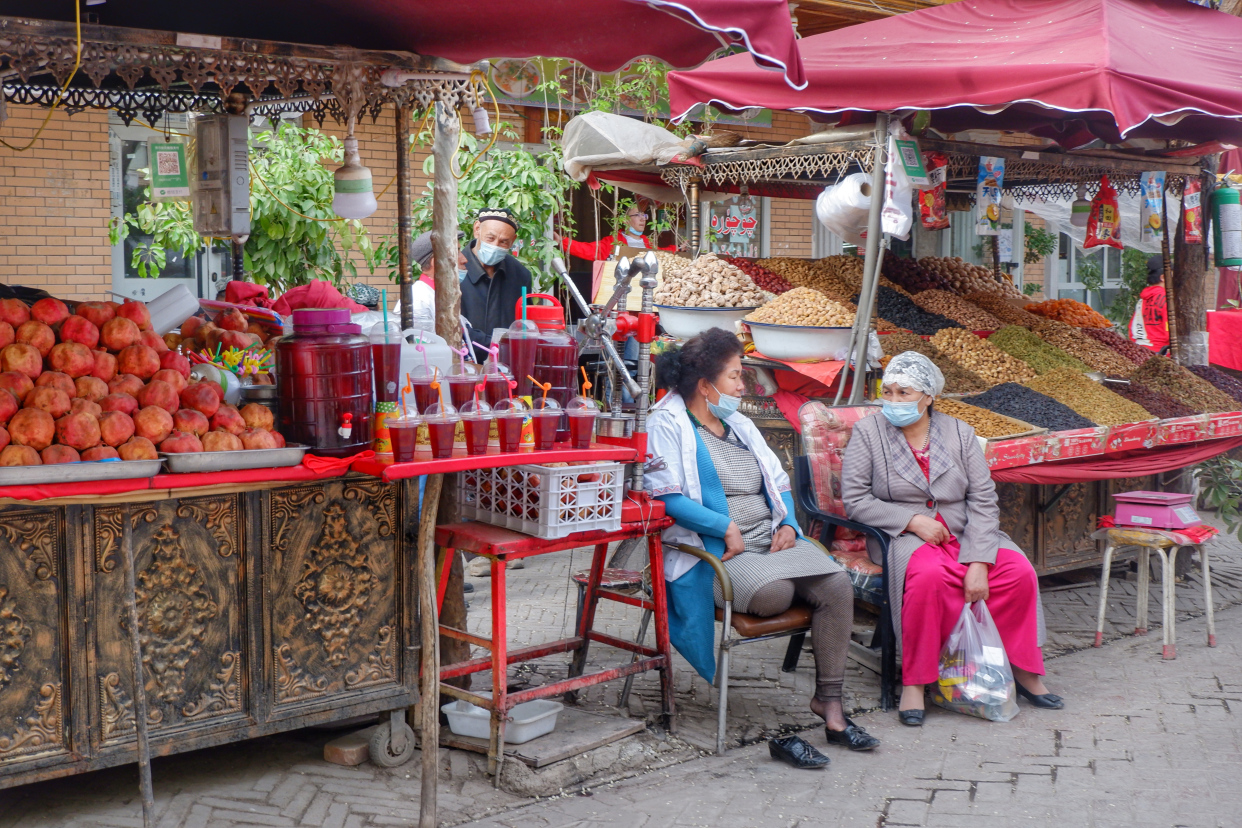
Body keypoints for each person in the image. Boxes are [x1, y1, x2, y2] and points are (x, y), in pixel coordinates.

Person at [645, 328, 880, 751]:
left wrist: (789, 523)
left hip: (768, 538)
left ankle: (829, 703)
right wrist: (724, 526)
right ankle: (776, 583)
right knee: (775, 594)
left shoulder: (738, 422)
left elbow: (776, 480)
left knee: (837, 586)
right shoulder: (666, 423)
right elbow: (668, 497)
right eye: (735, 377)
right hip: (714, 548)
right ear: (705, 384)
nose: (742, 386)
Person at [841, 351, 1061, 726]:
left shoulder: (958, 432)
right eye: (888, 392)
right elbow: (856, 500)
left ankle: (1023, 669)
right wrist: (912, 520)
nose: (893, 401)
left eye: (904, 393)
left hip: (964, 528)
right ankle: (916, 681)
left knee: (1017, 572)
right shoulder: (869, 432)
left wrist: (978, 560)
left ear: (928, 397)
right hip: (903, 534)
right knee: (929, 578)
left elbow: (983, 497)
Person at [461, 207, 533, 349]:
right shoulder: (456, 269)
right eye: (490, 238)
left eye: (503, 242)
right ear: (477, 229)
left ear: (513, 241)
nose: (495, 246)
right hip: (464, 360)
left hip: (507, 361)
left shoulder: (520, 275)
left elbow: (525, 324)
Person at [553, 200, 677, 261]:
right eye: (637, 215)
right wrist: (561, 241)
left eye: (644, 216)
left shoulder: (648, 242)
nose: (643, 219)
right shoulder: (613, 242)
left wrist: (678, 249)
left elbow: (662, 254)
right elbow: (588, 250)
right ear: (625, 220)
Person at [406, 229, 466, 322]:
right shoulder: (419, 301)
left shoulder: (440, 295)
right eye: (456, 253)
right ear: (437, 262)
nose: (464, 260)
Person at [1136, 255, 1170, 354]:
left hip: (1139, 350)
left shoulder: (1142, 300)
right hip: (1161, 352)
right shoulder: (1167, 299)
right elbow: (1170, 329)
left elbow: (1132, 327)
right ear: (1163, 277)